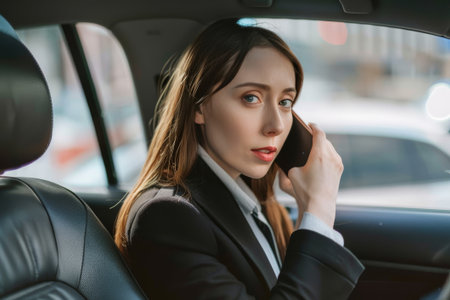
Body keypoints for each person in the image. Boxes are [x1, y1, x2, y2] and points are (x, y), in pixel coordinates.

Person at [114, 18, 364, 299]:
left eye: (285, 102)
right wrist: (319, 209)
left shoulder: (255, 202)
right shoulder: (168, 216)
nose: (277, 126)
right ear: (200, 107)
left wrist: (307, 207)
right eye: (251, 98)